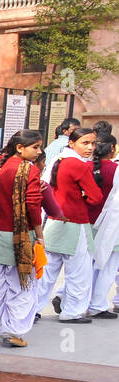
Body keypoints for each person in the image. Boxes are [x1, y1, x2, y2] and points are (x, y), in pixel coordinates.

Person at [0, 130, 45, 347]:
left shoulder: (0, 166)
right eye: (35, 147)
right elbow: (33, 205)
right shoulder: (30, 170)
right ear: (20, 147)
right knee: (21, 284)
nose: (39, 151)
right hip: (21, 234)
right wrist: (39, 233)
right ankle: (13, 330)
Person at [36, 127, 102, 323]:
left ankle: (34, 309)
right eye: (85, 143)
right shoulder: (79, 165)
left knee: (47, 271)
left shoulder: (59, 160)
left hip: (55, 221)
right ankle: (71, 311)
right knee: (78, 272)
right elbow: (96, 197)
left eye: (92, 143)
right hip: (75, 223)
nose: (90, 147)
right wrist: (83, 195)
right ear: (72, 143)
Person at [85, 133, 118, 317]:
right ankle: (98, 304)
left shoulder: (88, 166)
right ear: (112, 148)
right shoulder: (115, 169)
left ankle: (83, 301)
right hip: (111, 223)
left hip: (90, 220)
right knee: (108, 265)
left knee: (87, 264)